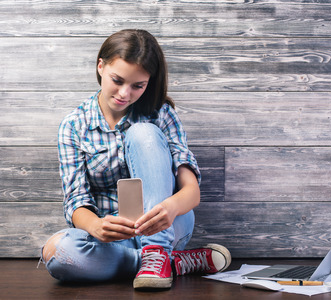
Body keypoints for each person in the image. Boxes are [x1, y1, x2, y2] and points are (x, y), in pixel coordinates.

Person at [41, 29, 231, 289]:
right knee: (58, 252)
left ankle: (158, 251)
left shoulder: (161, 115)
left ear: (149, 82)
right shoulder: (73, 126)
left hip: (167, 227)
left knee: (143, 131)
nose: (124, 93)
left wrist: (172, 207)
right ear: (100, 66)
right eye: (117, 80)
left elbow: (191, 192)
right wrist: (96, 226)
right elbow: (75, 200)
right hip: (112, 239)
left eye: (137, 86)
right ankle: (171, 263)